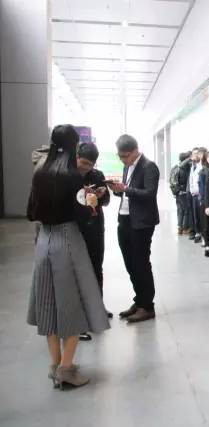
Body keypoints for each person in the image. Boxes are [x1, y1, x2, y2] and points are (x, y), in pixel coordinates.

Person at [27, 124, 110, 389]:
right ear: (74, 145)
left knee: (48, 306)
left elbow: (30, 212)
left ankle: (54, 365)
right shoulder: (72, 176)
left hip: (43, 242)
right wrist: (91, 203)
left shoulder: (40, 172)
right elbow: (82, 217)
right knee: (72, 305)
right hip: (67, 241)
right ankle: (67, 369)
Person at [107, 134, 160, 324]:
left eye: (125, 156)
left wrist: (125, 189)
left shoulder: (149, 166)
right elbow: (126, 194)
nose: (123, 159)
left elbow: (149, 194)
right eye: (120, 156)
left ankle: (147, 306)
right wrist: (116, 190)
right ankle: (139, 301)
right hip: (125, 219)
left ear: (135, 150)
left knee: (141, 264)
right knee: (130, 264)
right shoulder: (127, 166)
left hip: (141, 223)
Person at [76, 142, 112, 341]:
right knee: (77, 271)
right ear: (76, 157)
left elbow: (106, 202)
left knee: (96, 267)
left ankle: (97, 308)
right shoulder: (69, 176)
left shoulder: (97, 176)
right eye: (83, 163)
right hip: (75, 229)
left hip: (95, 228)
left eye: (90, 164)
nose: (86, 168)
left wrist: (102, 195)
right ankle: (80, 314)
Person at [188, 148, 205, 243]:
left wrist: (197, 191)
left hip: (200, 194)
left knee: (201, 215)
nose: (195, 155)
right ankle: (197, 232)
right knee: (195, 215)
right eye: (194, 154)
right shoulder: (193, 166)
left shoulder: (202, 166)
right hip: (193, 194)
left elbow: (201, 182)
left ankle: (202, 234)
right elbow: (191, 180)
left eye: (197, 154)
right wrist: (191, 190)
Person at [174, 152, 191, 235]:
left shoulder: (176, 167)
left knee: (180, 210)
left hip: (177, 192)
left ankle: (179, 228)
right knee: (186, 210)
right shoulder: (184, 168)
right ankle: (185, 228)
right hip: (183, 192)